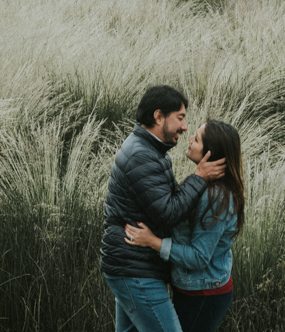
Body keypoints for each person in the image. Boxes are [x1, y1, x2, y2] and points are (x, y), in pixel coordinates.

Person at [101, 85, 227, 332]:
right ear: (158, 116)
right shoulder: (142, 155)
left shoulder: (151, 151)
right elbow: (168, 213)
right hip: (135, 270)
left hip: (135, 265)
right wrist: (199, 176)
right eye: (180, 118)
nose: (185, 127)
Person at [124, 120, 245, 332]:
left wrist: (154, 242)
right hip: (193, 289)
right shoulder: (202, 182)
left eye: (196, 139)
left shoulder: (215, 196)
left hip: (204, 295)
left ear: (210, 153)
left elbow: (199, 257)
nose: (190, 138)